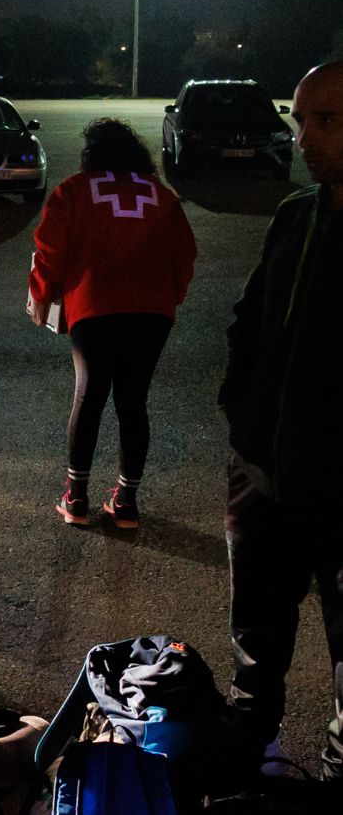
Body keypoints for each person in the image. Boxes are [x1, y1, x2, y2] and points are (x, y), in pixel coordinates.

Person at [220, 61, 343, 782]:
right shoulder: (295, 214)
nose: (305, 137)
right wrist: (243, 411)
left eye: (325, 120)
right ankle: (246, 762)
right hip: (264, 473)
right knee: (256, 639)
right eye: (300, 118)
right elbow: (247, 319)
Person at [29, 118, 196, 529]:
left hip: (94, 307)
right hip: (152, 311)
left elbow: (49, 250)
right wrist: (171, 294)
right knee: (133, 401)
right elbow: (184, 254)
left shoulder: (74, 190)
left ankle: (77, 498)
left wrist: (41, 294)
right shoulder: (161, 195)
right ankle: (125, 503)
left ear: (92, 154)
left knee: (89, 396)